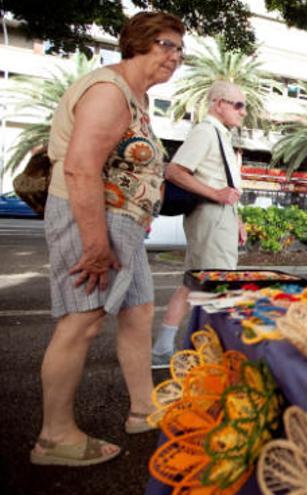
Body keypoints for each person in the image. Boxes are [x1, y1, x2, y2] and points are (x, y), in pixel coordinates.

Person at [30, 12, 185, 466]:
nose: (175, 56)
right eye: (165, 44)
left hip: (123, 221)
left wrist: (141, 210)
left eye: (180, 50)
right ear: (137, 41)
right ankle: (53, 437)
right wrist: (96, 244)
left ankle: (143, 408)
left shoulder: (136, 96)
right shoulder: (109, 91)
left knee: (138, 311)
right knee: (82, 321)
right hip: (92, 216)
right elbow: (80, 167)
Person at [150, 81, 247, 366]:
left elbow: (225, 182)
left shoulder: (220, 135)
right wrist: (216, 194)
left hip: (220, 215)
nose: (243, 112)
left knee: (192, 283)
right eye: (238, 105)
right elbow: (175, 171)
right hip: (211, 216)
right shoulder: (206, 132)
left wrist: (236, 218)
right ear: (219, 104)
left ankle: (163, 349)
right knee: (218, 286)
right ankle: (213, 353)